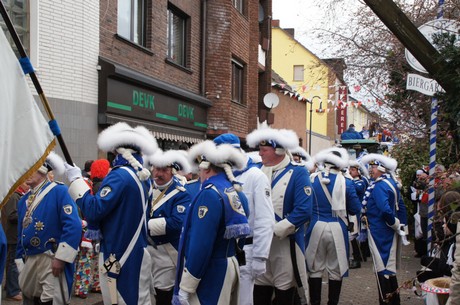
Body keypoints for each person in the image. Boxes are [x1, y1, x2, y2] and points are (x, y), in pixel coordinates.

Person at [64, 122, 158, 305]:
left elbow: (93, 210)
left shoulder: (119, 175)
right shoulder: (142, 177)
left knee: (119, 299)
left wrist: (76, 180)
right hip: (136, 251)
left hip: (119, 253)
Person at [173, 140, 251, 305]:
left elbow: (200, 244)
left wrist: (187, 285)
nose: (199, 173)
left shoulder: (209, 194)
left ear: (207, 168)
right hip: (230, 263)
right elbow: (241, 237)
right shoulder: (237, 192)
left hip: (211, 271)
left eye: (200, 169)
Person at [246, 125, 312, 305]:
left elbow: (304, 210)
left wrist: (275, 230)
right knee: (259, 292)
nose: (260, 154)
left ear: (279, 150)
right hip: (260, 244)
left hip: (284, 243)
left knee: (284, 293)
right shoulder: (256, 171)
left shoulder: (298, 173)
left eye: (264, 150)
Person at [213, 133, 275, 305]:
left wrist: (260, 257)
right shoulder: (221, 174)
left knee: (243, 301)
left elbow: (265, 219)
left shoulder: (255, 176)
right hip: (222, 252)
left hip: (246, 251)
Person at [15, 152, 82, 305]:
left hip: (50, 257)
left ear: (43, 170)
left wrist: (61, 257)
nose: (26, 173)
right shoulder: (23, 200)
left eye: (31, 169)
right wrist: (19, 259)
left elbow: (73, 225)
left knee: (51, 300)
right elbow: (21, 233)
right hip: (29, 258)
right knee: (30, 298)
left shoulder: (59, 191)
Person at [306, 147, 361, 305]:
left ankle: (315, 302)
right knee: (335, 271)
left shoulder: (312, 178)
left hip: (316, 226)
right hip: (337, 227)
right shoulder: (347, 182)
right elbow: (355, 209)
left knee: (315, 269)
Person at [360, 153, 408, 305]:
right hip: (385, 230)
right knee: (389, 267)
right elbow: (401, 207)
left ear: (381, 169)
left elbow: (385, 210)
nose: (370, 170)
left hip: (380, 231)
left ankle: (386, 299)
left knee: (383, 267)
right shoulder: (389, 183)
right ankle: (394, 300)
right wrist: (401, 226)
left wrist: (394, 223)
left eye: (373, 167)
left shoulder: (380, 186)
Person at [146, 149, 192, 305]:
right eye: (157, 169)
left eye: (164, 170)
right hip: (145, 249)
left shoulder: (181, 194)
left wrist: (143, 225)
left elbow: (176, 223)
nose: (159, 173)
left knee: (163, 294)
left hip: (166, 253)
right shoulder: (145, 188)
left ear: (172, 172)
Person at [1, 182, 29, 301]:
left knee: (11, 261)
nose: (28, 185)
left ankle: (10, 286)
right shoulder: (13, 196)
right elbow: (12, 215)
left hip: (13, 234)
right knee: (12, 262)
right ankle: (13, 291)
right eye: (26, 182)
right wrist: (27, 214)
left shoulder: (18, 195)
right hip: (11, 234)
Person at [348, 160, 369, 268]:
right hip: (353, 213)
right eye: (350, 169)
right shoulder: (353, 181)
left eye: (353, 170)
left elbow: (357, 189)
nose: (350, 172)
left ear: (358, 172)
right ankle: (359, 256)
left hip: (357, 213)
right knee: (354, 236)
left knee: (355, 235)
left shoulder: (359, 182)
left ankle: (357, 258)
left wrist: (348, 179)